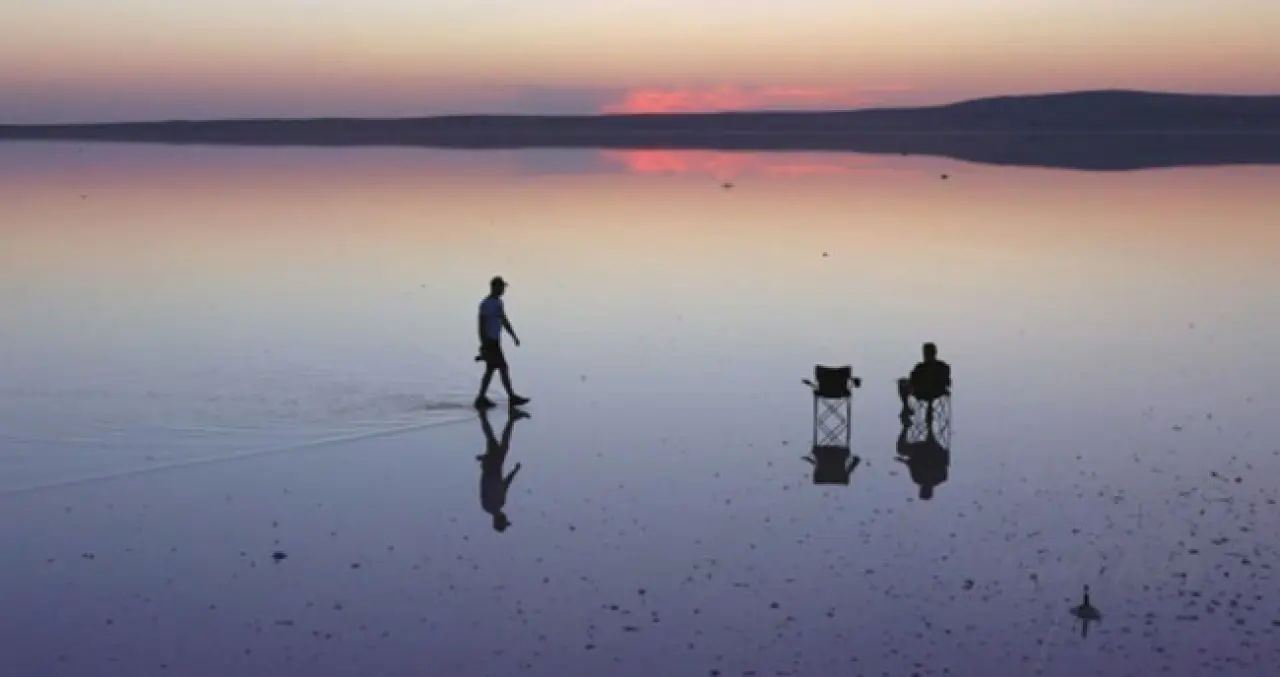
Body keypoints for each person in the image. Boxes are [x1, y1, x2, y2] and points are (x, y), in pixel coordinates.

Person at [475, 276, 530, 410]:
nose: (503, 290)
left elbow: (504, 320)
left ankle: (481, 398)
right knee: (503, 368)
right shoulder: (486, 304)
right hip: (490, 342)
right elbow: (481, 325)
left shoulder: (499, 303)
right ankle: (511, 397)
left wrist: (513, 336)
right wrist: (483, 344)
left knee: (491, 370)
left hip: (495, 341)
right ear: (494, 287)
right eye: (501, 287)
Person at [478, 408, 529, 532]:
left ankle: (485, 415)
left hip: (492, 467)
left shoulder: (492, 504)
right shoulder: (496, 504)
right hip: (494, 467)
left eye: (504, 520)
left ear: (499, 520)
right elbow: (504, 484)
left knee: (495, 441)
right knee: (497, 442)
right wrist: (514, 471)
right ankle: (509, 419)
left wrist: (485, 463)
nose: (506, 518)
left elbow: (487, 485)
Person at [898, 342, 951, 421]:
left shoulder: (920, 367)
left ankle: (906, 408)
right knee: (929, 392)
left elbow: (912, 380)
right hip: (937, 392)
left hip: (920, 393)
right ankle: (928, 414)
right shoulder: (944, 366)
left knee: (901, 382)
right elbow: (948, 382)